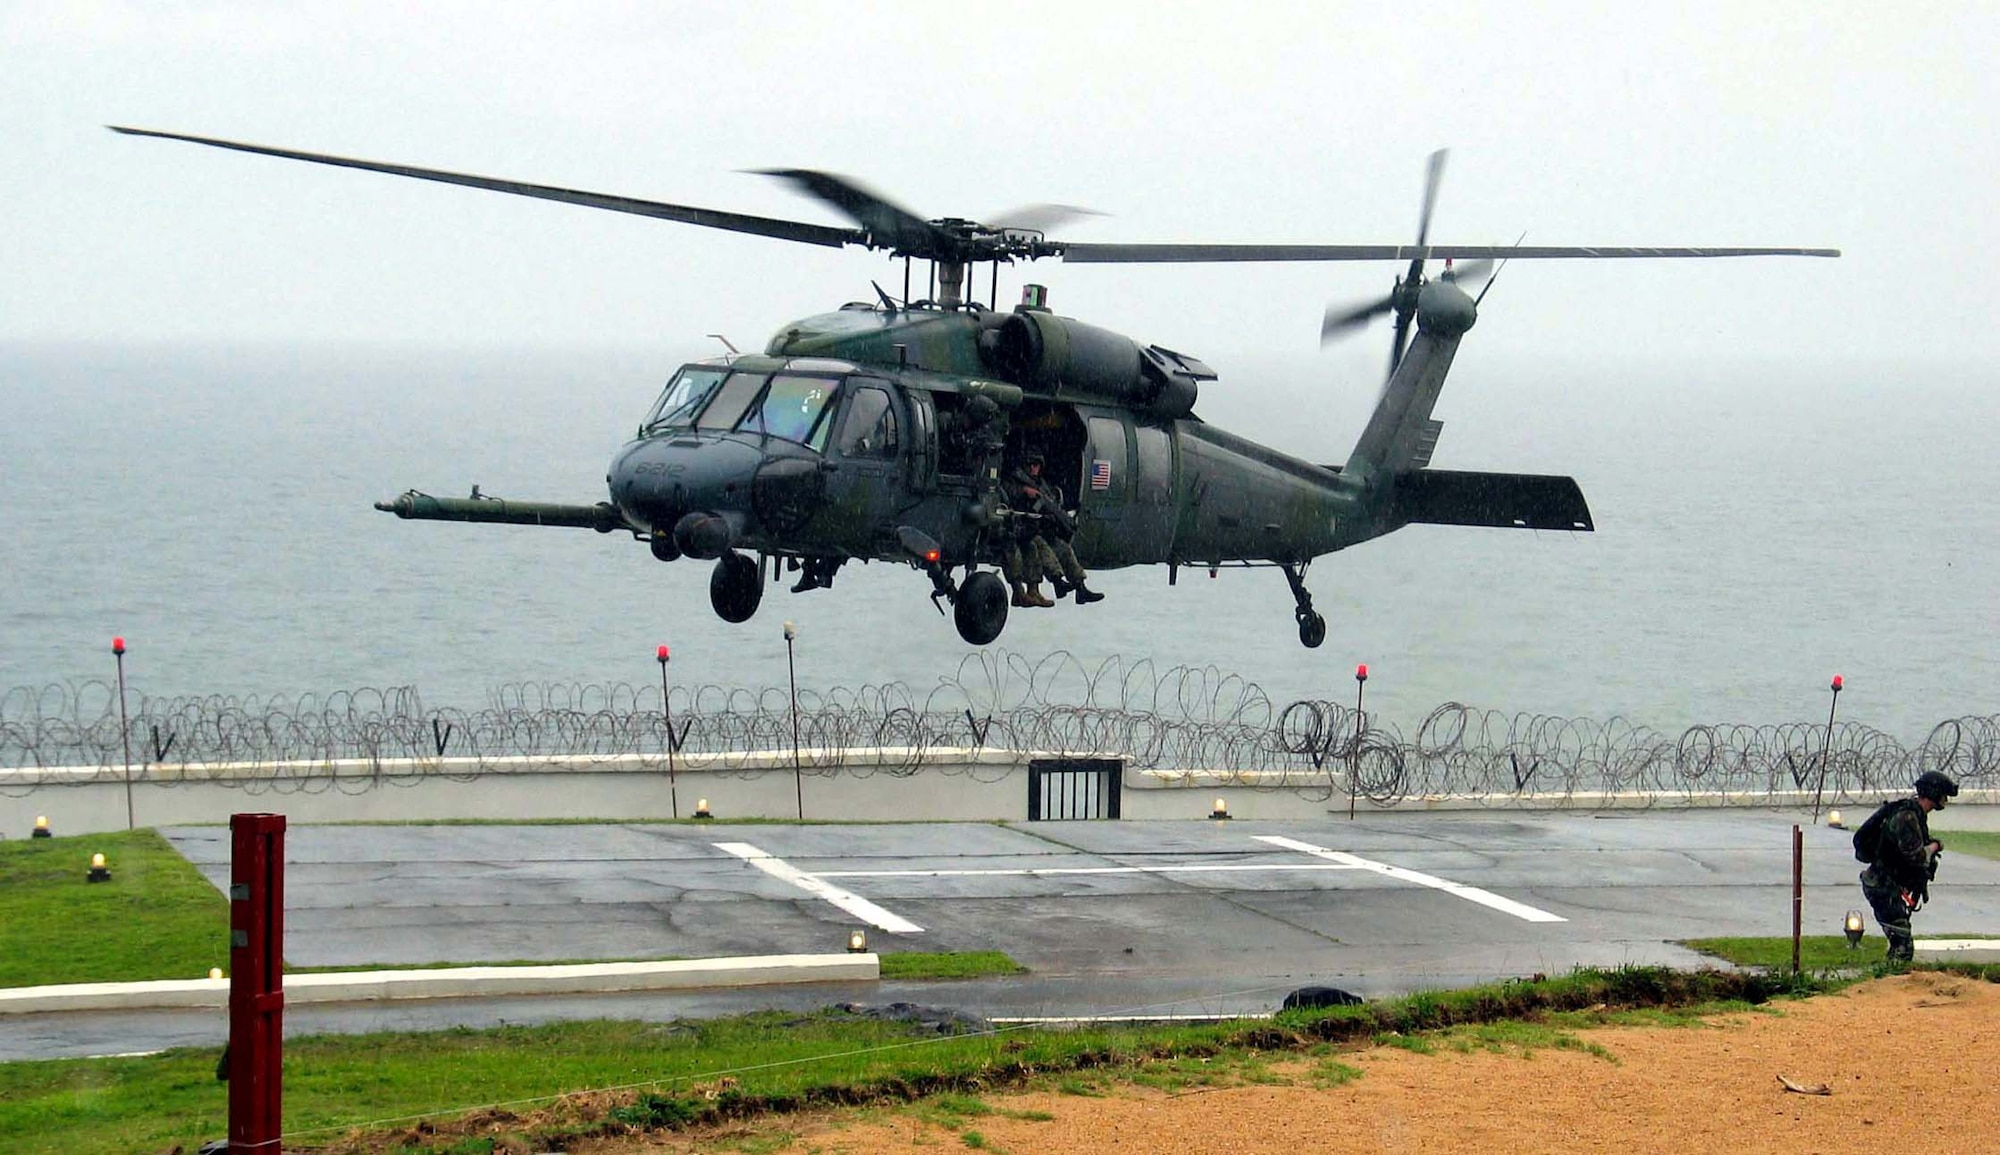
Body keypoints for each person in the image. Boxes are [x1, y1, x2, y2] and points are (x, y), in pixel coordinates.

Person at [1857, 770, 1960, 964]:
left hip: (1887, 885)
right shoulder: (1907, 817)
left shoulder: (1914, 814)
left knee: (1900, 940)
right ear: (1934, 793)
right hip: (1883, 886)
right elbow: (1916, 856)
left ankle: (1889, 978)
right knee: (1902, 946)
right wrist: (1934, 846)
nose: (1945, 800)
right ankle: (1890, 983)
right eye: (1943, 795)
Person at [1004, 450, 1103, 607]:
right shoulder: (1016, 480)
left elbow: (1049, 503)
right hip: (1023, 527)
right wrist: (1024, 492)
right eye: (1030, 464)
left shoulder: (1041, 484)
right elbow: (1007, 492)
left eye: (1036, 465)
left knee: (1065, 549)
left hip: (1040, 527)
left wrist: (1051, 509)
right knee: (1041, 549)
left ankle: (1080, 587)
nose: (1033, 468)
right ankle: (1056, 582)